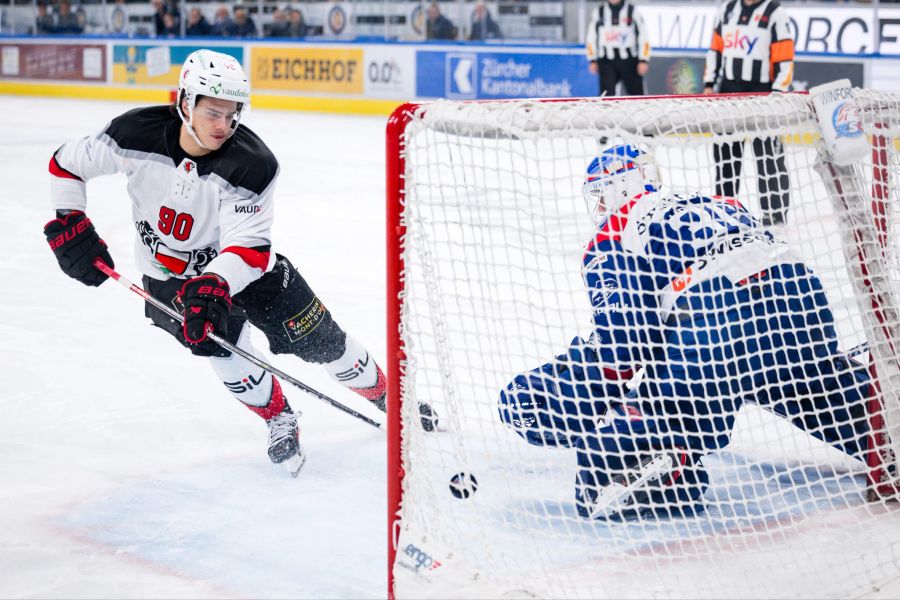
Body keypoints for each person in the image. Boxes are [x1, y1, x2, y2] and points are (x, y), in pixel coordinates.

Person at [42, 50, 418, 477]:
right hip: (168, 279)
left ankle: (389, 399)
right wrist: (70, 218)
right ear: (186, 102)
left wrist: (216, 281)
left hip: (248, 274)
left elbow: (250, 247)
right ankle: (279, 418)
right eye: (212, 112)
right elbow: (66, 162)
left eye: (232, 114)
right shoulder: (134, 132)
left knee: (325, 342)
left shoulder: (253, 163)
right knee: (227, 354)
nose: (223, 125)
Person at [498, 144, 871, 520]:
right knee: (816, 387)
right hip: (800, 300)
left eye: (600, 194)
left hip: (716, 321)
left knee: (602, 467)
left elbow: (626, 343)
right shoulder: (719, 201)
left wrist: (569, 395)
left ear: (618, 187)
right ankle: (881, 421)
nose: (598, 207)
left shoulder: (613, 232)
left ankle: (669, 467)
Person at [703, 0, 794, 226]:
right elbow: (715, 48)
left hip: (762, 92)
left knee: (768, 155)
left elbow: (784, 56)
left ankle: (775, 213)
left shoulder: (775, 12)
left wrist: (778, 93)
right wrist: (709, 82)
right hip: (729, 89)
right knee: (725, 153)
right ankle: (724, 206)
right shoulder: (727, 8)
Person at [585, 0, 650, 97]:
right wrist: (592, 59)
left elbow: (643, 36)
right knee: (606, 96)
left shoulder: (632, 11)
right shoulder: (599, 12)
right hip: (606, 61)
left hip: (630, 61)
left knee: (637, 96)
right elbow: (591, 37)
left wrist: (643, 59)